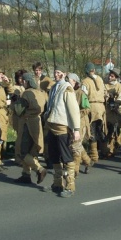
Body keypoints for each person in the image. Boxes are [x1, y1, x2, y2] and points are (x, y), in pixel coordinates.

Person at [44, 64, 81, 198]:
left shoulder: (67, 88)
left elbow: (74, 110)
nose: (56, 74)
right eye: (55, 72)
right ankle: (57, 183)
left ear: (64, 74)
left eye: (59, 72)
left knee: (66, 156)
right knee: (54, 155)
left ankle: (70, 186)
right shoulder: (54, 87)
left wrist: (76, 129)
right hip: (51, 124)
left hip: (62, 126)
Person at [12, 72, 47, 184]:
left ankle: (39, 169)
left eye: (24, 81)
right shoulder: (42, 93)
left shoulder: (26, 93)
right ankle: (26, 174)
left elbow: (18, 110)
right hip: (37, 122)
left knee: (22, 151)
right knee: (31, 151)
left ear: (26, 82)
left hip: (27, 123)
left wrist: (15, 101)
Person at [66, 72, 92, 177]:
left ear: (74, 81)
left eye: (69, 80)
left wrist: (76, 113)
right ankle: (88, 161)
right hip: (70, 122)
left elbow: (87, 108)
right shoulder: (67, 92)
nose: (67, 82)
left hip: (80, 122)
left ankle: (75, 170)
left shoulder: (81, 93)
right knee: (77, 145)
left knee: (75, 146)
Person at [81, 62, 106, 165]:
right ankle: (105, 151)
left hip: (91, 107)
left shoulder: (85, 81)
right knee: (101, 130)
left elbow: (83, 96)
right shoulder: (100, 79)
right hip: (101, 107)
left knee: (92, 131)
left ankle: (94, 156)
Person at [101, 68, 121, 159]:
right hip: (105, 110)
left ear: (116, 77)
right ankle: (104, 150)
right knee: (104, 131)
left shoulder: (119, 86)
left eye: (112, 76)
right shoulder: (104, 85)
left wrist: (116, 103)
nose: (110, 77)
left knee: (113, 131)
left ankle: (112, 150)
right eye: (110, 75)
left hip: (115, 111)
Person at [10, 69, 27, 163]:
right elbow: (14, 100)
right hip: (18, 114)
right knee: (19, 136)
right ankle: (18, 156)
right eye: (20, 78)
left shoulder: (26, 87)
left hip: (26, 115)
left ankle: (25, 156)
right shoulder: (14, 87)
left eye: (23, 77)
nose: (21, 79)